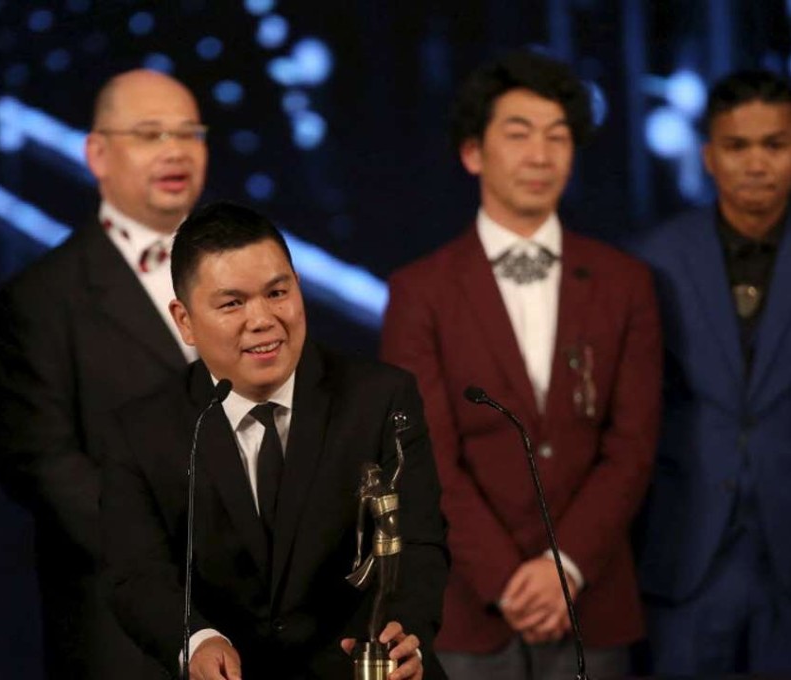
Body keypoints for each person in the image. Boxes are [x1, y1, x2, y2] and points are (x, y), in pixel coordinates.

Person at [380, 50, 662, 679]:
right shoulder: (418, 291)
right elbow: (422, 457)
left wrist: (566, 566)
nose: (540, 156)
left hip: (594, 599)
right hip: (469, 608)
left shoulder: (626, 282)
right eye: (519, 134)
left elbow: (633, 444)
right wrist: (509, 581)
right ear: (472, 152)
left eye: (558, 137)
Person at [102, 201, 449, 679]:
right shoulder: (142, 432)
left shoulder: (381, 399)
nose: (263, 319)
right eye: (232, 303)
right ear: (184, 320)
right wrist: (196, 642)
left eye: (277, 293)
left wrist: (404, 631)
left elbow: (419, 543)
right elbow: (137, 575)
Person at [0, 68, 206, 677]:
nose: (175, 150)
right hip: (124, 630)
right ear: (97, 154)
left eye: (190, 133)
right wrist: (183, 557)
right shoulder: (41, 298)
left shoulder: (250, 270)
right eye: (149, 134)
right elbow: (43, 465)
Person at [634, 69, 791, 675]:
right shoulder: (652, 260)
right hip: (686, 554)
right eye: (737, 146)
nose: (756, 163)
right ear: (709, 155)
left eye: (774, 145)